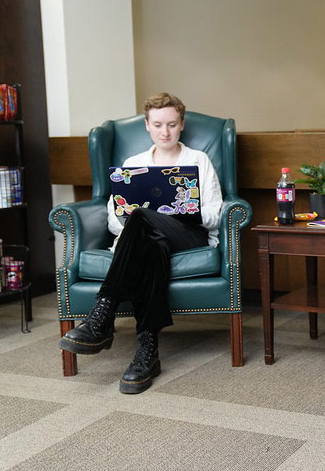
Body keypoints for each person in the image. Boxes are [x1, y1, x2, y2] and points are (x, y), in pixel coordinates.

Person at [58, 92, 223, 394]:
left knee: (141, 216)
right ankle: (147, 351)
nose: (165, 132)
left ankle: (102, 315)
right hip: (152, 240)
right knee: (148, 239)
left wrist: (178, 210)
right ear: (147, 125)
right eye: (158, 124)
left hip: (188, 234)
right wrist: (141, 218)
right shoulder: (133, 164)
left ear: (181, 125)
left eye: (172, 124)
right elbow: (113, 219)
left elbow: (215, 213)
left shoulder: (198, 161)